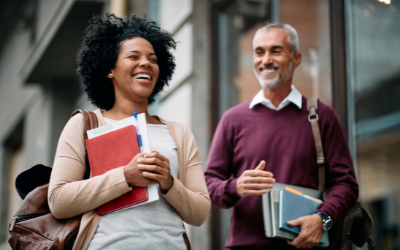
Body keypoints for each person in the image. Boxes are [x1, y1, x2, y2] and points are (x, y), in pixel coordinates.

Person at [48, 14, 210, 250]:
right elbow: (59, 201)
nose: (145, 63)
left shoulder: (178, 133)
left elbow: (200, 213)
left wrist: (168, 182)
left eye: (152, 59)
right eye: (133, 56)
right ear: (109, 69)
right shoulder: (85, 124)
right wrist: (125, 176)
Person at [204, 23, 359, 249]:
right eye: (259, 52)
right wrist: (235, 187)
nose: (266, 60)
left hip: (307, 245)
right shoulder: (232, 119)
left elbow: (346, 184)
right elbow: (207, 186)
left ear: (296, 59)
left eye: (276, 51)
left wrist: (321, 218)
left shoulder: (322, 116)